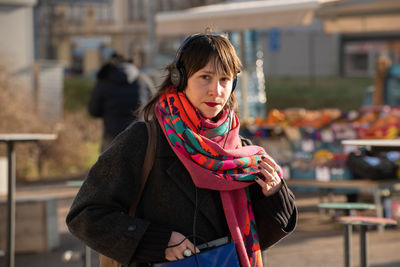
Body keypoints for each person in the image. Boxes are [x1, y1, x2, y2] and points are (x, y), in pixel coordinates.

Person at [67, 33, 297, 267]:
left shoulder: (243, 153)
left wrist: (274, 194)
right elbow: (85, 216)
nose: (215, 90)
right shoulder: (144, 140)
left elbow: (259, 237)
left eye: (224, 79)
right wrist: (157, 241)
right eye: (205, 77)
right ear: (180, 79)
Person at [89, 53, 153, 151]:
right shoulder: (143, 80)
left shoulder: (104, 80)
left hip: (111, 136)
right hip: (138, 135)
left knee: (108, 165)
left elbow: (93, 111)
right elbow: (156, 106)